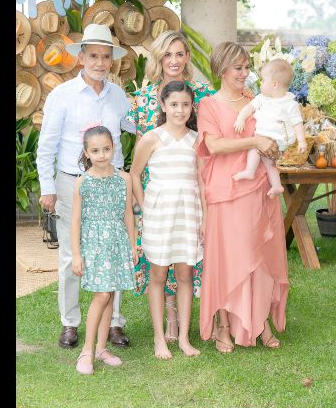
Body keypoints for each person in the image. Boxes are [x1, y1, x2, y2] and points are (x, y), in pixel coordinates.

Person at [37, 24, 135, 349]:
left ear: (112, 61)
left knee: (115, 250)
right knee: (70, 254)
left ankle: (115, 323)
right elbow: (46, 146)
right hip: (71, 183)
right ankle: (70, 322)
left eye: (106, 56)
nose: (100, 62)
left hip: (111, 184)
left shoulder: (118, 96)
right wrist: (47, 187)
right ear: (81, 57)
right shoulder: (61, 96)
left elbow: (137, 127)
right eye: (93, 55)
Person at [196, 41, 289, 353]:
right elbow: (215, 146)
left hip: (259, 187)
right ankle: (224, 325)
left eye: (247, 67)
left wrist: (273, 144)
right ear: (222, 70)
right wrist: (255, 140)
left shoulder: (257, 100)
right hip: (225, 189)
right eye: (239, 68)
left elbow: (271, 136)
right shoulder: (208, 105)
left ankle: (260, 322)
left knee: (260, 254)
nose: (245, 73)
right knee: (226, 257)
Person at [126, 30, 215, 342]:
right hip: (157, 191)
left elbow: (207, 143)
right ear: (158, 58)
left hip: (189, 182)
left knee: (186, 256)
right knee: (159, 259)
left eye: (180, 54)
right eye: (168, 54)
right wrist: (142, 204)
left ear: (187, 57)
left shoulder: (203, 94)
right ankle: (169, 319)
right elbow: (140, 151)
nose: (174, 60)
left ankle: (191, 319)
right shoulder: (144, 98)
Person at [129, 81, 205, 359]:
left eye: (185, 104)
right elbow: (135, 174)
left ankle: (184, 337)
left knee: (185, 273)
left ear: (191, 107)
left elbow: (201, 180)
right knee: (158, 275)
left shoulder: (197, 140)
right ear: (163, 106)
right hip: (159, 213)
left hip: (188, 212)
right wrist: (144, 206)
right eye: (174, 104)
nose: (180, 110)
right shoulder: (151, 138)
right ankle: (159, 338)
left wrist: (205, 218)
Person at [71, 125, 138, 375]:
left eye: (106, 149)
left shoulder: (124, 179)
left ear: (114, 149)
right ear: (87, 153)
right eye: (95, 151)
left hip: (117, 242)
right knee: (101, 295)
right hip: (94, 244)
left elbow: (128, 214)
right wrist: (77, 254)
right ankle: (86, 350)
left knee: (110, 294)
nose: (101, 155)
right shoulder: (82, 183)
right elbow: (76, 221)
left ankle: (101, 348)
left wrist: (132, 244)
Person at [232, 58, 306, 197]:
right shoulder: (262, 98)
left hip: (278, 141)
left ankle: (250, 170)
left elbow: (297, 123)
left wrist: (302, 141)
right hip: (263, 139)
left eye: (263, 80)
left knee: (256, 150)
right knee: (268, 163)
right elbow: (249, 108)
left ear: (274, 84)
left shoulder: (290, 104)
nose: (261, 84)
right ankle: (277, 186)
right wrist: (241, 118)